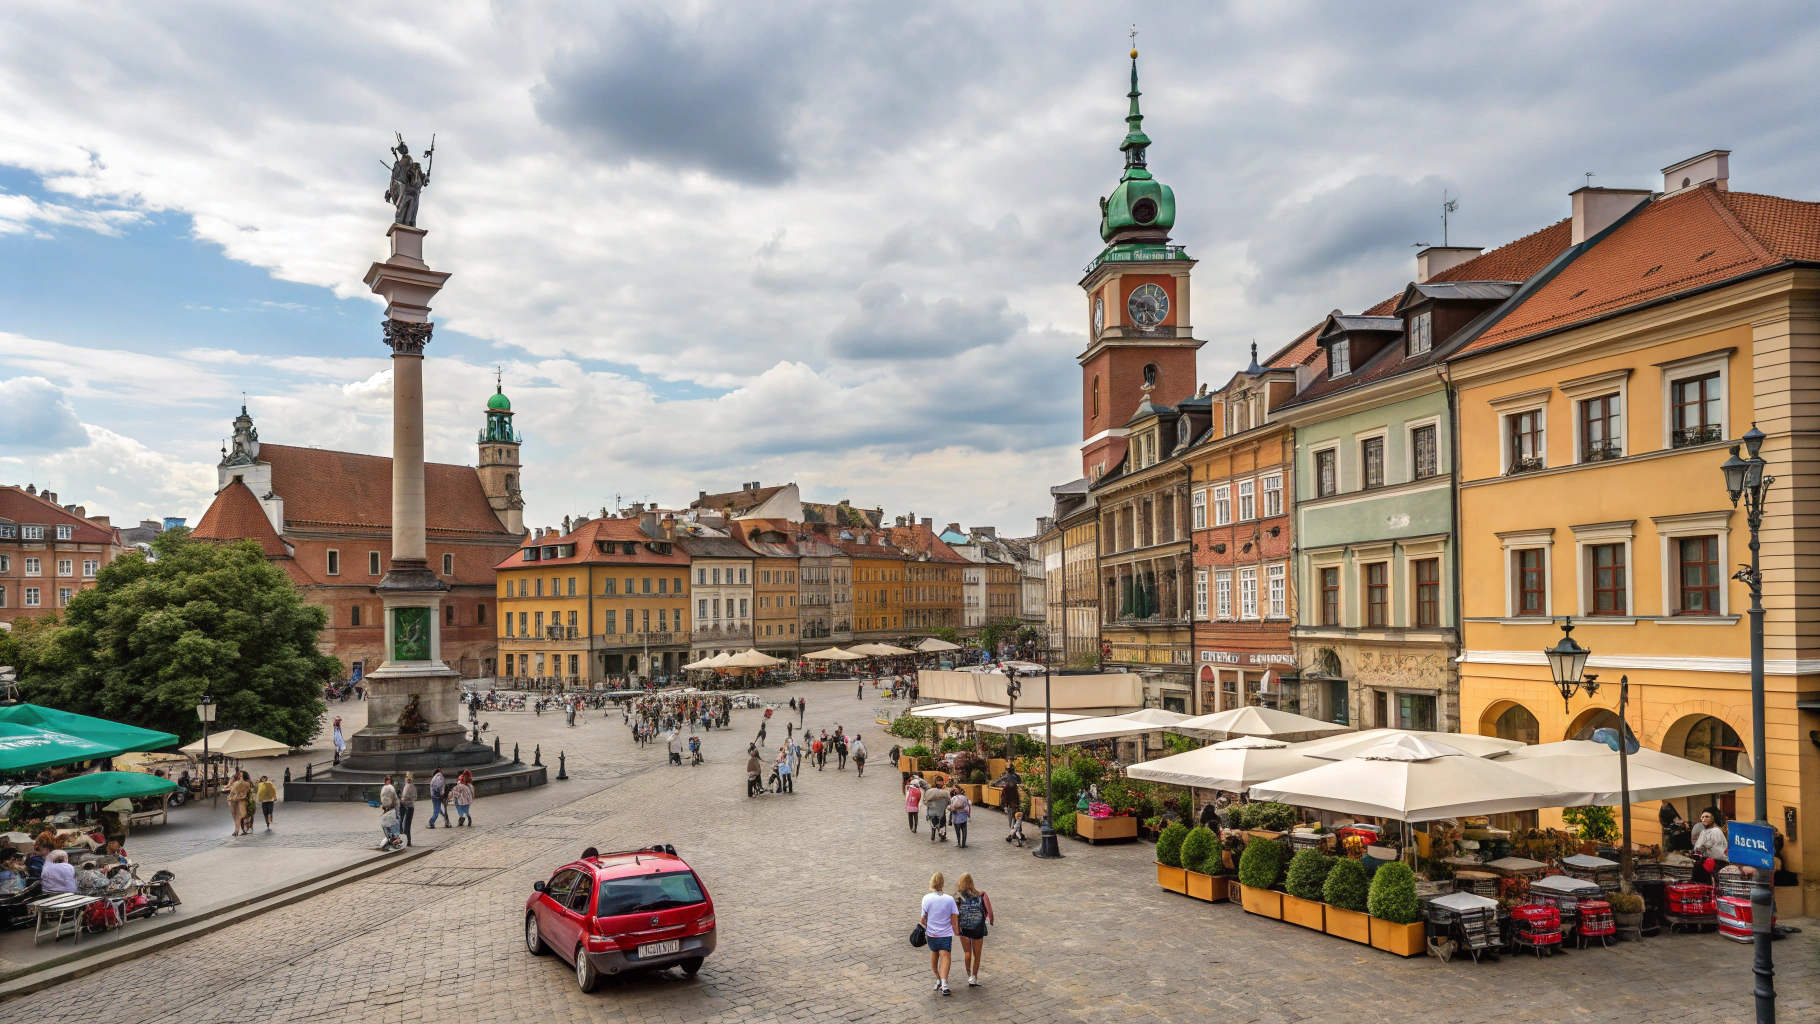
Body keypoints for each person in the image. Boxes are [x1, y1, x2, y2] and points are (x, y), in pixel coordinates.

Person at [920, 872, 957, 996]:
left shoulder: (926, 898)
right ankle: (944, 983)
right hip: (945, 934)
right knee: (945, 956)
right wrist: (956, 929)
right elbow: (954, 918)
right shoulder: (949, 899)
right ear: (942, 883)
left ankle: (938, 977)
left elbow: (922, 919)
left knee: (934, 955)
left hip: (931, 934)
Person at [954, 872, 994, 987]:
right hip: (978, 928)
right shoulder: (981, 895)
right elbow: (989, 912)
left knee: (967, 953)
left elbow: (955, 915)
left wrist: (956, 928)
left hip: (964, 929)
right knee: (977, 954)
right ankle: (974, 977)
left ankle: (968, 975)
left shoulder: (958, 898)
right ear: (971, 882)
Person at [1691, 808, 1729, 883]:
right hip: (1706, 865)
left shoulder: (1715, 831)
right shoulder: (1706, 831)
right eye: (1703, 817)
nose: (1704, 819)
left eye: (1707, 817)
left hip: (1709, 866)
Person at [994, 766, 1021, 832]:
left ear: (1008, 771)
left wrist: (994, 783)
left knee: (1003, 796)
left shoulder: (1006, 776)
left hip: (1008, 791)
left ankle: (1004, 805)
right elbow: (1019, 782)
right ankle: (1016, 806)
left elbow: (998, 780)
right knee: (1016, 802)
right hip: (1014, 791)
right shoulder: (1016, 776)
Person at [227, 771, 253, 837]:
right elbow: (231, 789)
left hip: (241, 801)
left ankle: (237, 831)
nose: (239, 775)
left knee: (239, 816)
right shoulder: (237, 782)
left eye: (240, 774)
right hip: (235, 801)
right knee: (237, 817)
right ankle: (242, 830)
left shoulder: (245, 783)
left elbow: (247, 793)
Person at [398, 772, 417, 847]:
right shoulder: (409, 786)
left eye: (409, 778)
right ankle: (406, 840)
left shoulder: (410, 787)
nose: (408, 780)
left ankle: (407, 840)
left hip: (408, 807)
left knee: (406, 825)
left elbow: (411, 797)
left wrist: (403, 799)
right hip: (407, 806)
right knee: (405, 824)